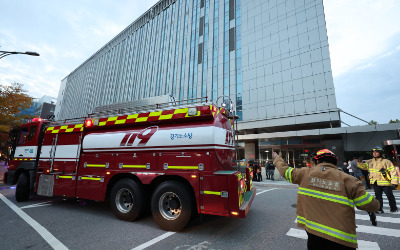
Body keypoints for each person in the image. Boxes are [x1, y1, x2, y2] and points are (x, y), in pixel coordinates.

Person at [273, 149, 379, 249]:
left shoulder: (304, 173)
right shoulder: (349, 180)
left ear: (317, 160)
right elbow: (371, 205)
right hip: (342, 238)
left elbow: (285, 171)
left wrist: (277, 158)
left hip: (314, 233)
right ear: (334, 162)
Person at [367, 146, 399, 213]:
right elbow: (364, 167)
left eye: (376, 152)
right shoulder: (370, 161)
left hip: (385, 182)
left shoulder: (386, 161)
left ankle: (394, 208)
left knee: (389, 196)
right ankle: (379, 209)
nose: (374, 153)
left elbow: (393, 171)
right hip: (375, 182)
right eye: (373, 152)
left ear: (380, 153)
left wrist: (394, 182)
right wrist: (359, 162)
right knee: (378, 197)